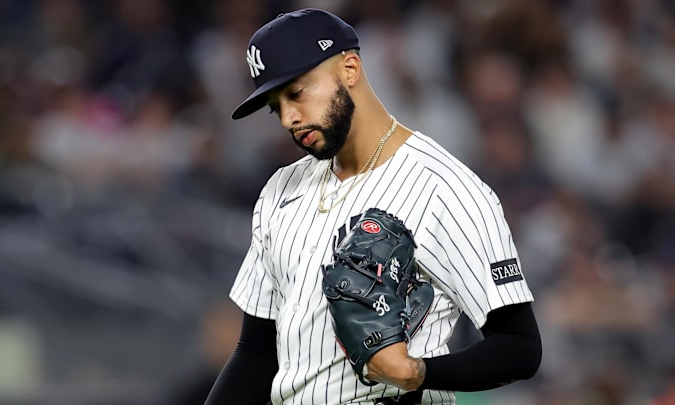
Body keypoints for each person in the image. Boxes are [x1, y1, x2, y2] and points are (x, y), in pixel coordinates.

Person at [205, 8, 542, 405]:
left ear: (349, 68)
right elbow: (257, 354)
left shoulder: (445, 188)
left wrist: (419, 373)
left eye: (296, 93)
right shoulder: (281, 189)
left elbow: (519, 345)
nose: (289, 118)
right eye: (276, 106)